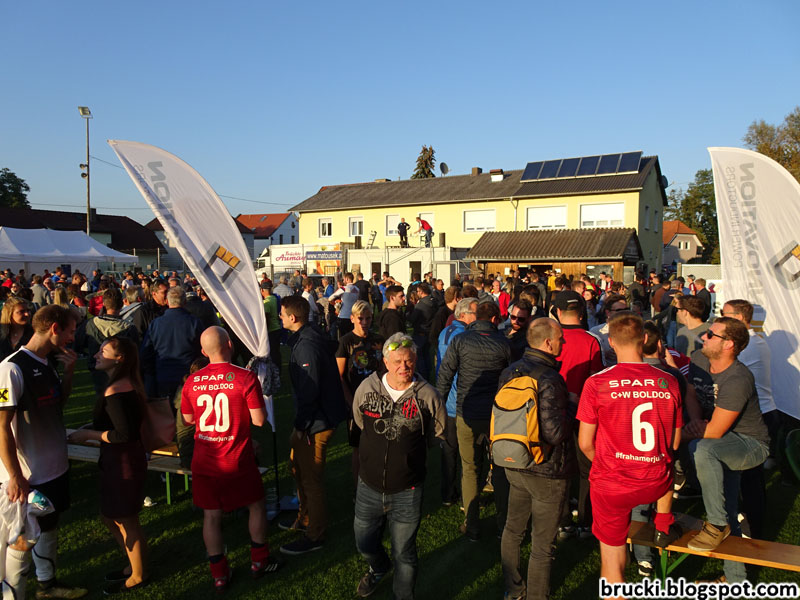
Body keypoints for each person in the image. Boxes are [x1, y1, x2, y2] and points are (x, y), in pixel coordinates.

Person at [577, 313, 683, 587]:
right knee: (667, 468)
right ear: (645, 338)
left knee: (612, 561)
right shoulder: (669, 381)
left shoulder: (597, 383)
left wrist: (607, 463)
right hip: (656, 480)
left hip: (613, 483)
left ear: (611, 342)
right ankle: (663, 522)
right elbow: (673, 443)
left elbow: (585, 443)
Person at [180, 326, 280, 591]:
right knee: (255, 506)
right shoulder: (245, 377)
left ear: (203, 352)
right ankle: (259, 561)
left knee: (211, 516)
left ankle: (219, 575)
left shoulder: (192, 381)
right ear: (230, 345)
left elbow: (188, 419)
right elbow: (259, 420)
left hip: (205, 459)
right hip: (237, 457)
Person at [0, 305, 87, 600]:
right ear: (54, 329)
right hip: (29, 474)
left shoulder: (47, 362)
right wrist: (14, 475)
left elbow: (56, 403)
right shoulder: (11, 369)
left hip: (54, 468)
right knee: (23, 539)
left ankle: (47, 586)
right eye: (70, 332)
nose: (72, 338)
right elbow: (1, 427)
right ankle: (13, 595)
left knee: (50, 526)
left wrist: (69, 372)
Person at [352, 333, 445, 599]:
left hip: (408, 490)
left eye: (409, 361)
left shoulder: (428, 395)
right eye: (397, 361)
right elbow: (359, 421)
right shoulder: (367, 388)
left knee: (404, 552)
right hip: (368, 486)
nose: (403, 367)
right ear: (385, 362)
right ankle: (379, 566)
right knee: (364, 543)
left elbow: (437, 433)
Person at [683, 317, 769, 582]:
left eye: (711, 335)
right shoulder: (699, 358)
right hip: (718, 438)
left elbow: (715, 432)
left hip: (750, 444)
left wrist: (681, 434)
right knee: (729, 506)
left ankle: (716, 524)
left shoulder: (738, 378)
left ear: (729, 344)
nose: (703, 337)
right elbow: (691, 394)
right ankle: (736, 580)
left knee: (700, 448)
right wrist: (695, 420)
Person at [499, 318, 577, 600]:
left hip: (514, 459)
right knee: (542, 544)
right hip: (546, 469)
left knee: (513, 529)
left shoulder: (509, 371)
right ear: (548, 343)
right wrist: (571, 406)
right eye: (560, 338)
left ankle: (513, 589)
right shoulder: (550, 379)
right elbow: (554, 433)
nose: (563, 342)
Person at [66, 337, 149, 594]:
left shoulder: (116, 391)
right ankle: (133, 565)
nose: (96, 355)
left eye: (104, 351)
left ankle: (138, 575)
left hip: (123, 460)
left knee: (125, 518)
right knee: (112, 516)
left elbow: (124, 434)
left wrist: (88, 435)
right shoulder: (124, 385)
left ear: (119, 359)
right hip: (119, 458)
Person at [436, 302, 511, 541]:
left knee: (469, 468)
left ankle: (472, 524)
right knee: (500, 469)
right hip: (495, 415)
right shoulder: (503, 343)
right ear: (495, 319)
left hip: (466, 412)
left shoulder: (461, 340)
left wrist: (439, 407)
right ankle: (503, 525)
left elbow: (445, 375)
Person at [279, 295, 347, 554]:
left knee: (311, 477)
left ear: (292, 317)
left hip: (316, 422)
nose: (279, 318)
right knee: (297, 468)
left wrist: (301, 425)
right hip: (313, 419)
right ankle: (305, 518)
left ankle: (315, 534)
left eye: (282, 314)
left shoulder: (306, 345)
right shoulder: (306, 338)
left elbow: (310, 389)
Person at [720, 299, 780, 539]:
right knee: (750, 478)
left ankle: (752, 532)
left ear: (738, 317)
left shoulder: (749, 345)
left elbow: (725, 372)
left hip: (757, 416)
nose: (720, 318)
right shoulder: (754, 341)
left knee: (748, 478)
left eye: (724, 314)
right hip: (761, 412)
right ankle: (753, 526)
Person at [552, 291, 602, 540]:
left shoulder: (552, 338)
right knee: (586, 468)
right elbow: (596, 379)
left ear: (558, 312)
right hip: (585, 412)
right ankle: (585, 521)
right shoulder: (592, 341)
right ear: (581, 314)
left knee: (559, 465)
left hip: (554, 410)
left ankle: (562, 521)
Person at [335, 301, 384, 488]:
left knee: (379, 443)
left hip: (378, 399)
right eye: (360, 318)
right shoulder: (346, 341)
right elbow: (339, 375)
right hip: (356, 400)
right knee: (358, 447)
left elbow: (384, 369)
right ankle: (358, 488)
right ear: (352, 318)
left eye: (368, 318)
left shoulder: (378, 339)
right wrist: (351, 402)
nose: (364, 322)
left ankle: (377, 483)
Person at [436, 298, 478, 507]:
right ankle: (465, 495)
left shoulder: (445, 332)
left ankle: (447, 493)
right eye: (476, 313)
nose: (478, 318)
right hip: (460, 398)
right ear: (464, 315)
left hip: (446, 399)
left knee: (449, 450)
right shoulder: (466, 337)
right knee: (467, 454)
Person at [75, 288, 140, 399]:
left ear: (104, 304)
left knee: (102, 397)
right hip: (120, 368)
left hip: (97, 367)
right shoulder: (129, 327)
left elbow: (78, 344)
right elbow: (135, 352)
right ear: (121, 304)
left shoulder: (90, 324)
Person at [140, 286, 204, 398]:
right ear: (185, 302)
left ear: (167, 302)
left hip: (162, 375)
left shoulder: (156, 324)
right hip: (188, 376)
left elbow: (146, 353)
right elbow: (202, 350)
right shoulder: (194, 323)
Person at [0, 297, 33, 361]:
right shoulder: (2, 333)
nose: (27, 314)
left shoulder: (34, 333)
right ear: (9, 313)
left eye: (28, 310)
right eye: (21, 311)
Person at [329, 273, 359, 340]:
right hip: (353, 316)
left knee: (343, 337)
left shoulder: (343, 288)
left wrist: (335, 304)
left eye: (344, 279)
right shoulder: (357, 289)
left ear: (347, 279)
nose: (343, 280)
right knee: (352, 336)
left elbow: (330, 298)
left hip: (343, 316)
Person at [260, 281, 282, 372]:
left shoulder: (266, 302)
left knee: (272, 353)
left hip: (271, 330)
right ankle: (278, 369)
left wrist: (265, 330)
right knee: (276, 351)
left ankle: (274, 371)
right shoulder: (275, 298)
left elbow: (267, 318)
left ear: (262, 290)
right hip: (277, 327)